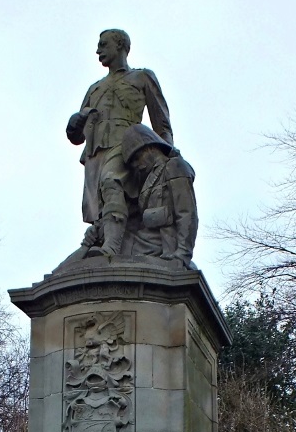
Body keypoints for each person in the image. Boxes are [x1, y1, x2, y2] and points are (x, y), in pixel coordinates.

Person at [67, 29, 173, 256]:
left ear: (120, 45)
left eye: (103, 45)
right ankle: (103, 243)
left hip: (127, 146)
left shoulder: (141, 77)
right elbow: (76, 137)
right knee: (100, 207)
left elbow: (160, 121)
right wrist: (75, 121)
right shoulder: (94, 88)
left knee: (111, 181)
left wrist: (167, 154)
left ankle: (111, 249)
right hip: (95, 153)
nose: (98, 51)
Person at [120, 124, 198, 267]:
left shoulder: (174, 166)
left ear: (150, 147)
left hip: (161, 247)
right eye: (133, 163)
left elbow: (186, 213)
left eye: (137, 157)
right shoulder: (148, 178)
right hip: (144, 242)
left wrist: (182, 254)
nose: (137, 165)